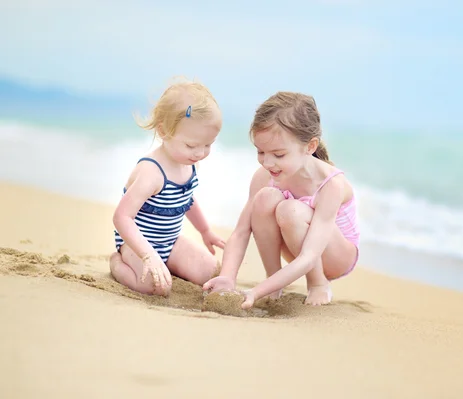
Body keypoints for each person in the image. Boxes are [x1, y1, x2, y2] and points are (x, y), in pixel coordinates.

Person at [203, 91, 359, 308]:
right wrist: (228, 276)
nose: (267, 162)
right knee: (265, 198)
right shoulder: (265, 177)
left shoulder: (331, 184)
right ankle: (274, 281)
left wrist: (256, 292)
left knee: (290, 210)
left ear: (310, 147)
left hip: (335, 257)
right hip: (297, 246)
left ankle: (318, 283)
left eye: (278, 155)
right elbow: (240, 232)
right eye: (260, 152)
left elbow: (309, 255)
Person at [110, 78, 225, 296]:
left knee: (211, 272)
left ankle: (168, 265)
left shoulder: (188, 163)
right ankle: (117, 264)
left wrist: (205, 231)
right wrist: (147, 255)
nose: (200, 153)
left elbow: (187, 200)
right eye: (192, 145)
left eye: (208, 145)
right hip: (137, 245)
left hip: (169, 242)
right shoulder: (151, 173)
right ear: (164, 132)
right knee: (154, 287)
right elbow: (122, 217)